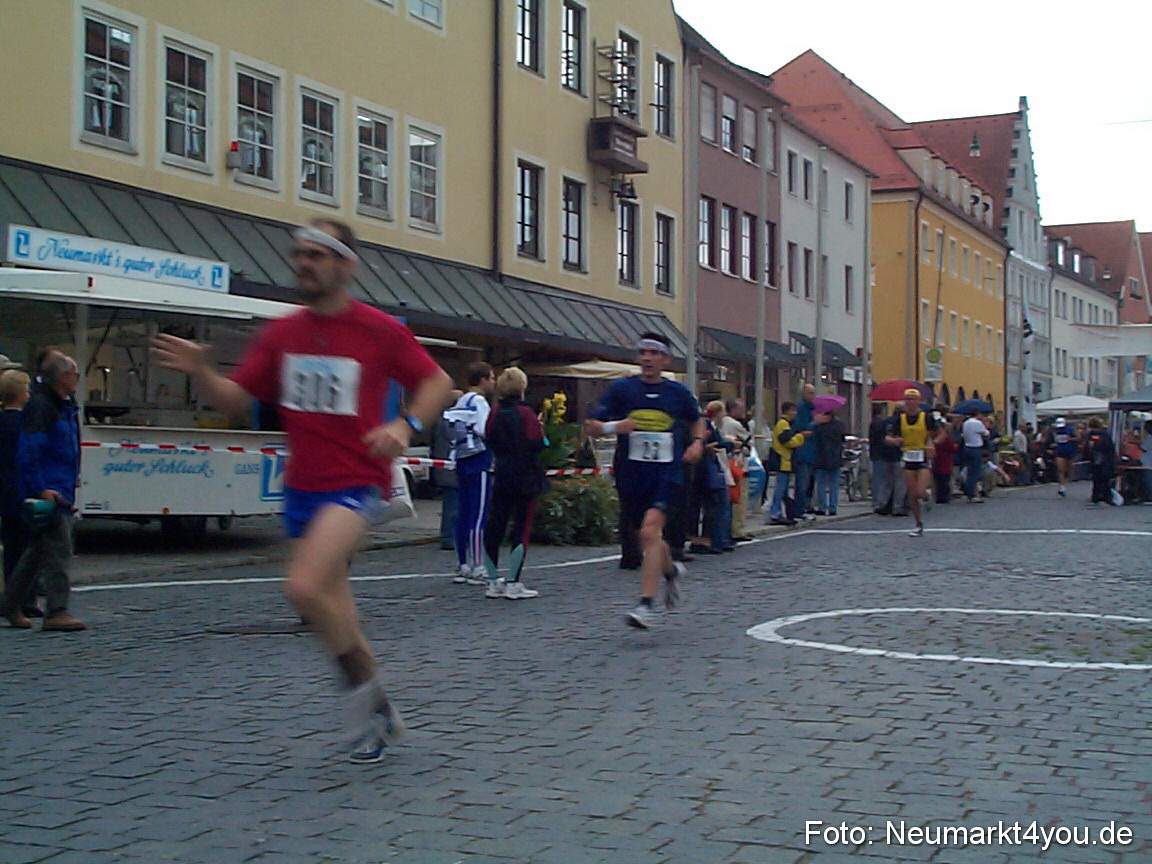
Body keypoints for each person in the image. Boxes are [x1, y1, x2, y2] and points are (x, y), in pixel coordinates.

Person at [152, 218, 453, 763]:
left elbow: (437, 382)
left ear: (346, 265)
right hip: (302, 487)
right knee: (334, 610)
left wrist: (404, 426)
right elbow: (237, 400)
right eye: (299, 254)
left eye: (317, 254)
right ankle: (378, 709)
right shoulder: (282, 334)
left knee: (303, 587)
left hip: (356, 481)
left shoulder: (378, 329)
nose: (304, 264)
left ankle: (364, 703)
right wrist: (201, 372)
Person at [585, 333, 704, 630]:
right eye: (643, 353)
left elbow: (697, 419)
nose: (647, 358)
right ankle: (670, 571)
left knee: (650, 531)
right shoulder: (622, 389)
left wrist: (697, 442)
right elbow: (591, 425)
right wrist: (615, 426)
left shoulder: (678, 393)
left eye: (654, 353)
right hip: (632, 474)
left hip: (668, 473)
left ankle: (646, 604)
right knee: (647, 536)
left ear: (665, 359)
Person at [2, 353, 84, 631]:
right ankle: (56, 611)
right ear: (62, 376)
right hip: (50, 491)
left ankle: (10, 603)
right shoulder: (45, 407)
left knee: (36, 552)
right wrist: (41, 488)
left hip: (57, 487)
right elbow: (30, 451)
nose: (77, 380)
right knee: (59, 552)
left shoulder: (60, 406)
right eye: (74, 374)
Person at [482, 368, 544, 599]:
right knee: (522, 526)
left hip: (502, 473)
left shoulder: (495, 412)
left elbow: (488, 437)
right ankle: (513, 582)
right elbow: (537, 442)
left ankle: (492, 580)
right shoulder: (526, 413)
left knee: (495, 525)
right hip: (525, 475)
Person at [450, 363, 496, 585]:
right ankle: (478, 565)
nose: (493, 382)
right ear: (483, 379)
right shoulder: (479, 402)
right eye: (492, 378)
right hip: (479, 460)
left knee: (464, 512)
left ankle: (463, 564)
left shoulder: (461, 400)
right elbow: (484, 429)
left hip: (462, 459)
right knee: (478, 514)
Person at [1, 368, 40, 620]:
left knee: (11, 548)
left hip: (6, 493)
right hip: (23, 491)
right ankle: (25, 599)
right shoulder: (25, 425)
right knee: (29, 548)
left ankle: (13, 597)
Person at [886, 388, 938, 537]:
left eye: (912, 399)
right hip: (908, 456)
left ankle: (927, 496)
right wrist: (894, 440)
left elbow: (939, 434)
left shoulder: (926, 417)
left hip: (923, 456)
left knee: (920, 491)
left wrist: (932, 444)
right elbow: (887, 437)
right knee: (912, 494)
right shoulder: (899, 419)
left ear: (919, 401)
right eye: (907, 399)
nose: (909, 402)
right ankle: (918, 524)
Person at [765, 402, 808, 525]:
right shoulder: (783, 424)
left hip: (784, 460)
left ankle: (780, 512)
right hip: (782, 460)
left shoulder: (786, 424)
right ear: (786, 411)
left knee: (782, 489)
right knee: (780, 488)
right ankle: (775, 513)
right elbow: (787, 442)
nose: (794, 413)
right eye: (792, 410)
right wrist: (801, 437)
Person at [431, 389, 463, 550]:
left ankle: (451, 535)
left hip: (446, 468)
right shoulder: (450, 420)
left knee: (453, 503)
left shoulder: (442, 418)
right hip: (450, 469)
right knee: (452, 505)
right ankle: (449, 537)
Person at [720, 398, 753, 541]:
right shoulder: (735, 424)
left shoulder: (722, 423)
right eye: (741, 408)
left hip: (725, 463)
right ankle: (738, 529)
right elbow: (748, 441)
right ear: (733, 409)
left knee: (729, 498)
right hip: (738, 464)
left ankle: (729, 529)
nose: (744, 411)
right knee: (739, 498)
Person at [868, 404, 907, 516]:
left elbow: (882, 437)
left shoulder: (886, 422)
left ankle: (882, 504)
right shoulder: (903, 423)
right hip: (898, 455)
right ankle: (897, 506)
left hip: (885, 455)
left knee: (887, 482)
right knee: (900, 482)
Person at [812, 409, 846, 516]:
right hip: (835, 457)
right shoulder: (840, 425)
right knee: (834, 484)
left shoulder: (818, 427)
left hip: (820, 457)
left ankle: (822, 507)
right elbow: (842, 439)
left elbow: (815, 440)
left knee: (821, 483)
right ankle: (833, 507)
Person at [791, 383, 818, 512]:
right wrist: (814, 423)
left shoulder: (814, 409)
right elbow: (800, 428)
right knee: (802, 482)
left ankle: (806, 504)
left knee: (810, 482)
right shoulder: (800, 409)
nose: (812, 396)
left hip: (813, 451)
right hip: (803, 451)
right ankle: (799, 508)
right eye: (809, 393)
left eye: (813, 393)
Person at [1082, 418, 1116, 507]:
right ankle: (1100, 497)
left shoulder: (1098, 435)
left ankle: (1101, 497)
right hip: (1101, 460)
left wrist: (1091, 447)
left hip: (1101, 459)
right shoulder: (1103, 434)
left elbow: (1093, 446)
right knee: (1100, 479)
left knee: (1100, 479)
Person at [960, 410, 989, 503]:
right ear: (978, 414)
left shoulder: (966, 423)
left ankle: (969, 492)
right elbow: (986, 433)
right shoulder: (977, 423)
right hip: (975, 448)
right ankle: (972, 494)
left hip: (967, 447)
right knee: (975, 472)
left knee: (969, 471)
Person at [1049, 416, 1078, 497]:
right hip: (1059, 451)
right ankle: (1062, 488)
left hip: (1069, 451)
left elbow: (1079, 438)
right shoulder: (1054, 430)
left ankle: (1065, 478)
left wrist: (1071, 439)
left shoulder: (1071, 429)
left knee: (1068, 470)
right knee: (1060, 470)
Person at [931, 420, 957, 504]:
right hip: (945, 460)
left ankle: (938, 496)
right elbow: (952, 449)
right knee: (944, 479)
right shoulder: (946, 438)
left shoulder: (932, 437)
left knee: (937, 479)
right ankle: (943, 497)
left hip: (935, 460)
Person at [1141, 421, 1152, 504]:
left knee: (1148, 480)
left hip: (1147, 463)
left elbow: (1143, 447)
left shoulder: (1148, 438)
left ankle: (1149, 497)